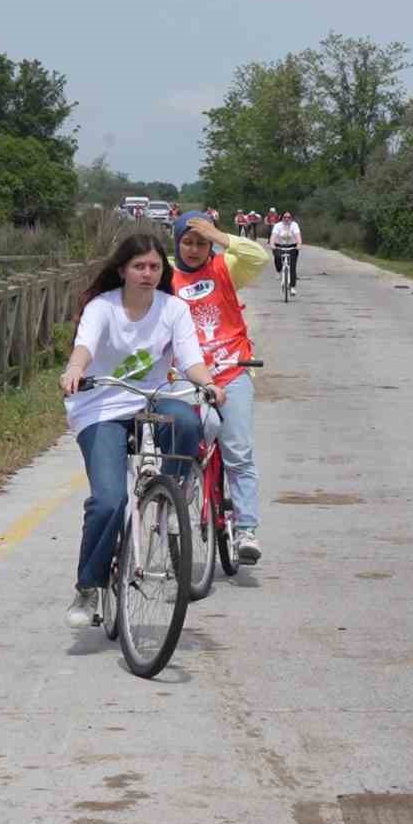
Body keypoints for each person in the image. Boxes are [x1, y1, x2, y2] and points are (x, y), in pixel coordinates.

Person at [59, 234, 227, 628]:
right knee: (108, 501)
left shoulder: (174, 309)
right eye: (139, 266)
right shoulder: (102, 307)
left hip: (152, 398)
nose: (147, 274)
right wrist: (75, 369)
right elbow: (84, 347)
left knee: (187, 420)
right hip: (100, 406)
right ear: (122, 270)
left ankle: (172, 494)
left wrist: (208, 384)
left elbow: (190, 360)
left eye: (154, 267)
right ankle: (88, 586)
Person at [158, 210, 271, 563]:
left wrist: (220, 236)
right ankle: (183, 496)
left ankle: (245, 529)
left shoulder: (225, 267)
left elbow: (258, 257)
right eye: (187, 242)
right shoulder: (166, 276)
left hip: (232, 369)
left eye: (201, 243)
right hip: (187, 376)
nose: (193, 250)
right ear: (177, 243)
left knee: (238, 449)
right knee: (190, 437)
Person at [270, 211, 303, 291]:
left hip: (292, 247)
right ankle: (279, 270)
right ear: (282, 217)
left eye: (289, 217)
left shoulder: (294, 225)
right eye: (285, 217)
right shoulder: (278, 225)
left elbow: (298, 236)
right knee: (277, 257)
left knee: (292, 266)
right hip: (279, 246)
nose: (287, 219)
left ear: (291, 218)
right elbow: (273, 236)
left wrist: (299, 244)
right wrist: (272, 245)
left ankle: (292, 287)